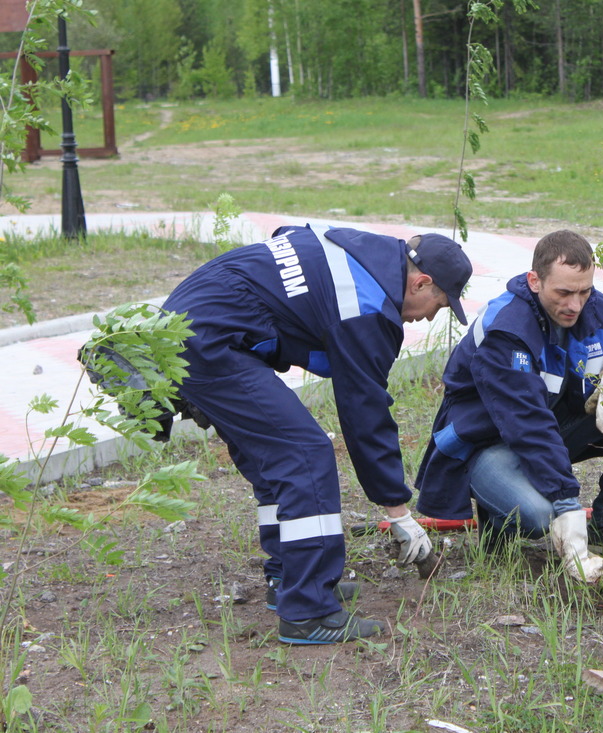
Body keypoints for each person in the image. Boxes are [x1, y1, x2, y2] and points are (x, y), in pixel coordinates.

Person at [162, 224, 472, 644]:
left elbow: (286, 237)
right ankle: (308, 611)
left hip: (191, 326)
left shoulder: (357, 250)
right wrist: (397, 510)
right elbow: (365, 413)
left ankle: (290, 577)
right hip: (209, 342)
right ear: (420, 281)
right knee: (305, 455)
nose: (427, 316)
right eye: (436, 305)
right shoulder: (365, 308)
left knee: (279, 459)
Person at [415, 230, 603, 582]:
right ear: (535, 281)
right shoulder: (507, 331)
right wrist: (567, 503)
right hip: (488, 442)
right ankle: (498, 532)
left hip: (549, 427)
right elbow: (525, 424)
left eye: (583, 291)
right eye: (563, 292)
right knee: (537, 515)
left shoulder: (593, 309)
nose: (575, 305)